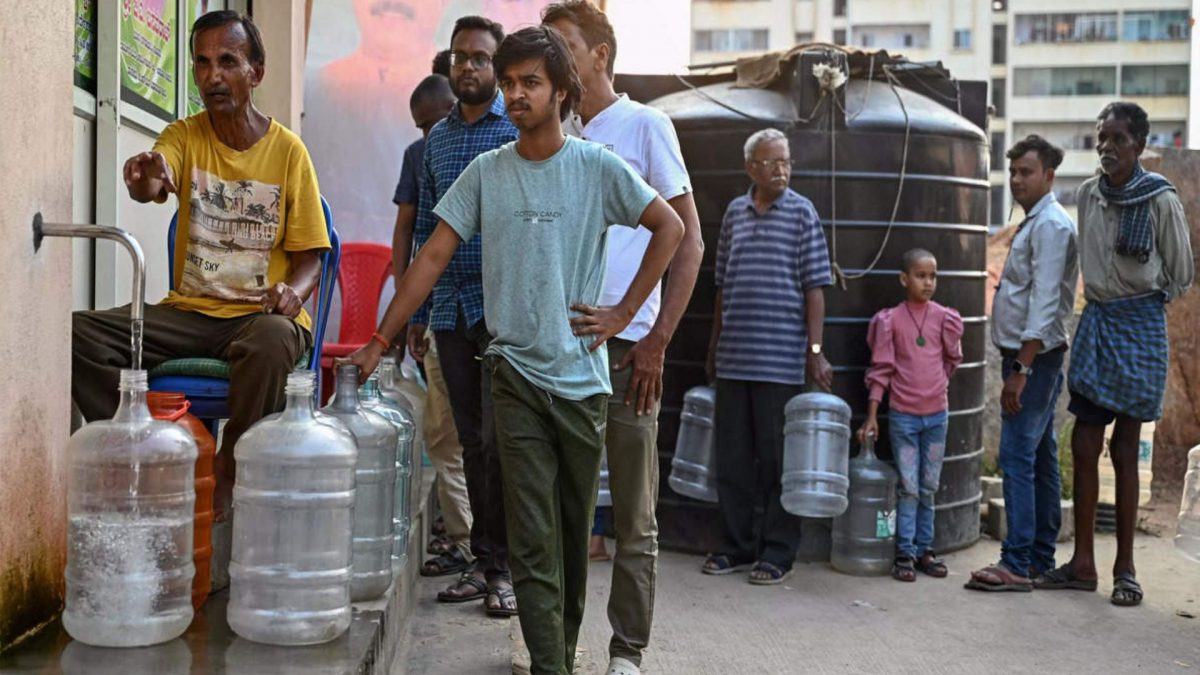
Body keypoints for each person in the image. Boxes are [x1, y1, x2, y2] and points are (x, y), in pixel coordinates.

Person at [343, 26, 684, 674]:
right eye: (510, 83)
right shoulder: (487, 172)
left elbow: (669, 227)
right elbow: (432, 254)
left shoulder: (596, 167)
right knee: (531, 538)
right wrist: (380, 340)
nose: (517, 94)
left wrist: (623, 313)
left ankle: (561, 646)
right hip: (515, 373)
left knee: (567, 536)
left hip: (582, 383)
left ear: (561, 91)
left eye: (530, 82)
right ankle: (550, 664)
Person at [72, 11, 329, 521]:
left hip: (259, 316)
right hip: (189, 314)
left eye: (228, 62)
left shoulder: (289, 152)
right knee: (79, 334)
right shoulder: (184, 135)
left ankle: (231, 469)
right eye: (203, 63)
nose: (213, 76)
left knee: (274, 340)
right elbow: (153, 178)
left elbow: (311, 258)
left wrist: (293, 294)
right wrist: (146, 175)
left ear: (256, 72)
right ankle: (145, 449)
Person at [542, 3, 704, 672]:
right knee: (559, 511)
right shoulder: (556, 135)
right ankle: (555, 644)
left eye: (563, 45)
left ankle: (627, 652)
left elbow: (688, 242)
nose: (553, 57)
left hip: (627, 351)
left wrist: (655, 338)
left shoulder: (645, 125)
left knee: (633, 516)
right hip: (559, 350)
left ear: (598, 54)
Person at [1040, 102, 1193, 606]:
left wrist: (1142, 305)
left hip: (1141, 326)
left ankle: (1125, 568)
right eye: (1100, 138)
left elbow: (1180, 272)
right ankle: (1083, 564)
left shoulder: (1160, 200)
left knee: (1126, 450)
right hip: (1099, 322)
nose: (1107, 148)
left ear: (1139, 146)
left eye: (1118, 140)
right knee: (1085, 443)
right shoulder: (1087, 195)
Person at [404, 15, 519, 615]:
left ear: (496, 67)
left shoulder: (515, 129)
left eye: (479, 57)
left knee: (503, 441)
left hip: (504, 308)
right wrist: (419, 310)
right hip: (449, 308)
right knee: (472, 442)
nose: (469, 66)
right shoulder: (438, 142)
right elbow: (426, 226)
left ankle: (509, 569)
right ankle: (484, 562)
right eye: (460, 57)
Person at [703, 128, 833, 585]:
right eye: (772, 162)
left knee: (778, 464)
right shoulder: (736, 213)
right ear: (750, 168)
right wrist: (714, 345)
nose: (782, 170)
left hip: (780, 362)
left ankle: (778, 552)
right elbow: (722, 285)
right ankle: (735, 547)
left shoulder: (802, 213)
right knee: (734, 461)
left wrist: (814, 352)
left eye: (786, 162)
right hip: (736, 359)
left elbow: (815, 287)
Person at [967, 135, 1078, 593]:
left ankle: (1015, 563)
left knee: (1016, 455)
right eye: (1012, 172)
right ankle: (1037, 558)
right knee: (1041, 456)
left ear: (1049, 176)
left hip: (1034, 359)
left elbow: (1047, 302)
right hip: (1031, 357)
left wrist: (1022, 369)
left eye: (1026, 172)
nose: (1016, 180)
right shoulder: (1037, 221)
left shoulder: (1050, 225)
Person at [388, 73, 475, 576]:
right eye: (421, 128)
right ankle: (465, 539)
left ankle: (479, 547)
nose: (428, 137)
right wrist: (410, 312)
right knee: (445, 432)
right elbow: (412, 232)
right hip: (441, 308)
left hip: (488, 316)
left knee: (477, 436)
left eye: (434, 124)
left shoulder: (500, 143)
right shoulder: (423, 154)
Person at [859, 249, 964, 582]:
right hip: (903, 417)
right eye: (920, 275)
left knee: (929, 485)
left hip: (937, 417)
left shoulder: (944, 318)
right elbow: (881, 370)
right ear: (905, 279)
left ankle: (925, 549)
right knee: (909, 487)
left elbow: (952, 360)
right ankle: (904, 551)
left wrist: (934, 389)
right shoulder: (890, 321)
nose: (928, 282)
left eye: (933, 276)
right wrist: (873, 415)